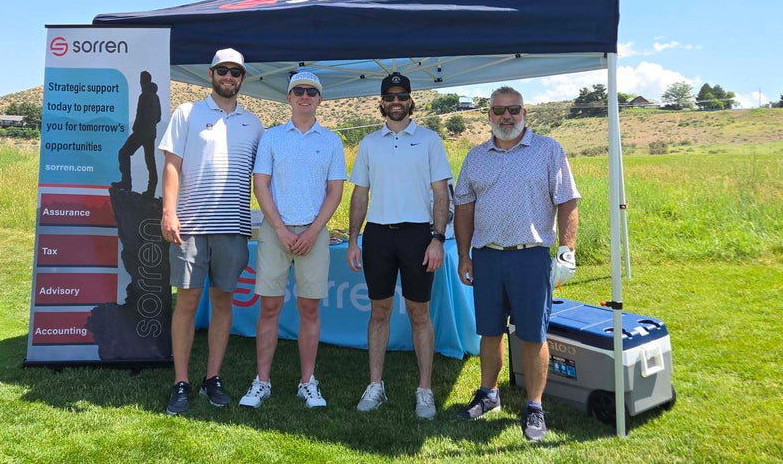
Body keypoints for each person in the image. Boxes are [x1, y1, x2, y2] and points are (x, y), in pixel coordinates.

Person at [452, 86, 580, 442]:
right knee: (489, 332)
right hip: (487, 256)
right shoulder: (476, 157)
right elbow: (463, 208)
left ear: (525, 113)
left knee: (532, 334)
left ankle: (534, 405)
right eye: (499, 110)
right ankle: (488, 394)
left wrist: (567, 249)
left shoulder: (548, 151)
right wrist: (464, 254)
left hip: (530, 255)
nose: (506, 116)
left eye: (513, 110)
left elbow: (567, 202)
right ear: (489, 115)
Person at [158, 48, 264, 415]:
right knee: (186, 303)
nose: (229, 77)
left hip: (234, 228)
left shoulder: (254, 124)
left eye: (236, 72)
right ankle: (181, 382)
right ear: (211, 73)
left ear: (243, 78)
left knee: (223, 302)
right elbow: (171, 166)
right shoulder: (187, 113)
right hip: (190, 227)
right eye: (223, 70)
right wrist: (168, 212)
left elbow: (262, 179)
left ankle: (212, 378)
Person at [346, 72, 451, 419]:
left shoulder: (430, 140)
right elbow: (359, 194)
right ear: (381, 102)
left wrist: (437, 238)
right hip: (377, 234)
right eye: (389, 97)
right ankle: (376, 385)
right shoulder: (369, 144)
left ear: (410, 101)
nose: (396, 102)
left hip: (418, 234)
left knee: (420, 313)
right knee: (379, 312)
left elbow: (440, 194)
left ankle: (425, 390)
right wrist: (352, 239)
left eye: (401, 96)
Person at [239, 71, 346, 410]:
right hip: (275, 231)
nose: (304, 96)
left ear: (319, 100)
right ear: (288, 97)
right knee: (268, 307)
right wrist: (282, 230)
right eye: (298, 91)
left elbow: (335, 191)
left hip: (314, 233)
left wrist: (313, 231)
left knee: (309, 308)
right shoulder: (272, 138)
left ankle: (307, 382)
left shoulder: (330, 141)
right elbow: (261, 185)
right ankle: (262, 382)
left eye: (311, 92)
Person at [115, 70, 162, 195]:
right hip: (151, 132)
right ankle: (151, 190)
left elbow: (139, 115)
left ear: (143, 81)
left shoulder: (144, 95)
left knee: (123, 153)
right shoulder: (155, 96)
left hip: (142, 132)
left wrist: (136, 128)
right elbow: (158, 117)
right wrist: (150, 125)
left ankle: (126, 182)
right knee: (150, 161)